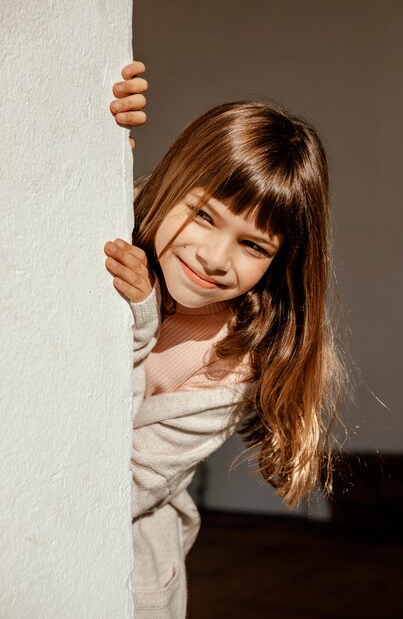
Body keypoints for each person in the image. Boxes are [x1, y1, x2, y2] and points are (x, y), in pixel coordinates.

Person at [104, 61, 345, 618]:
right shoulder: (114, 226)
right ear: (171, 184)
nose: (214, 258)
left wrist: (139, 321)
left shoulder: (231, 363)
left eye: (254, 246)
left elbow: (114, 486)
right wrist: (95, 127)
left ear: (280, 262)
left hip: (125, 571)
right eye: (204, 215)